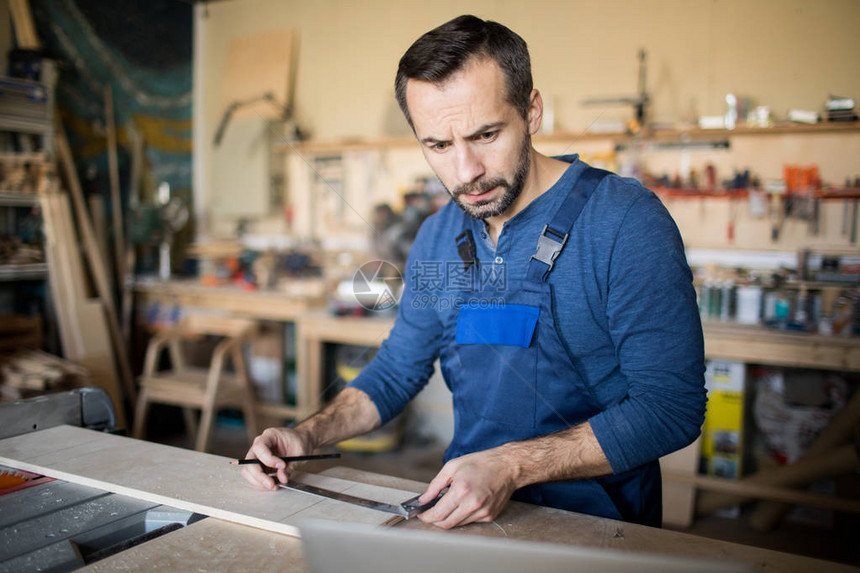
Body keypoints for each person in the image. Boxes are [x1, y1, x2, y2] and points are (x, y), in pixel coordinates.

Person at [242, 14, 706, 529]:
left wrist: (509, 466)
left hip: (602, 527)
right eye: (438, 145)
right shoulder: (439, 236)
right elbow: (398, 368)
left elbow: (671, 408)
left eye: (485, 135)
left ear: (531, 111)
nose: (466, 173)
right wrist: (307, 435)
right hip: (470, 519)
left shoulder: (624, 223)